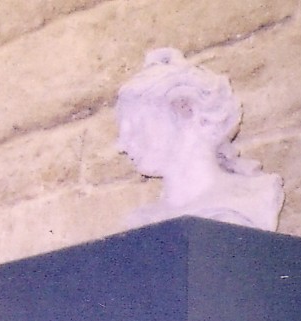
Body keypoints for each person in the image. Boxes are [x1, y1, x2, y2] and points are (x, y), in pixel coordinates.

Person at [115, 47, 283, 232]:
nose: (122, 145)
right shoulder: (141, 222)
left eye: (137, 126)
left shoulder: (251, 197)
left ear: (186, 110)